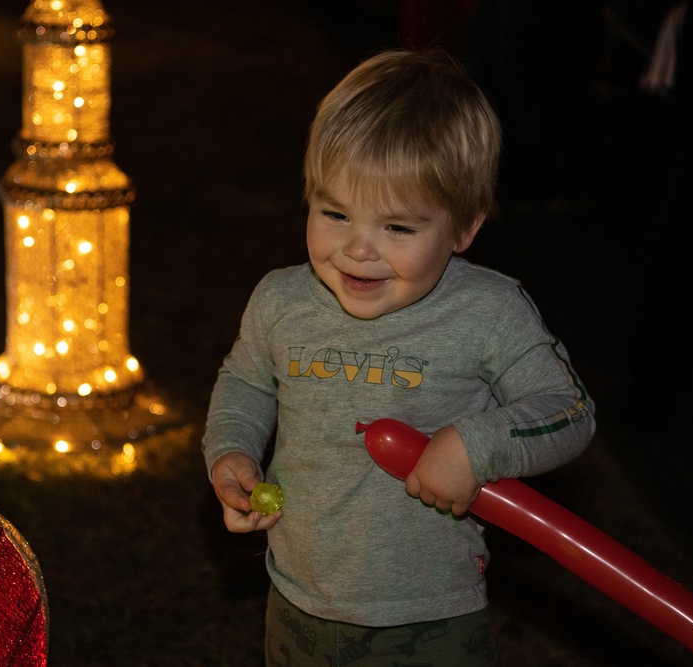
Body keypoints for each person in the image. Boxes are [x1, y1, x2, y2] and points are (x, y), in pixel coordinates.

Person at [202, 49, 596, 666]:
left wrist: (474, 444)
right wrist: (231, 451)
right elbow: (248, 381)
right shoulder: (281, 300)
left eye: (399, 229)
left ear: (464, 227)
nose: (359, 249)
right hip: (296, 601)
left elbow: (569, 411)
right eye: (334, 213)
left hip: (429, 621)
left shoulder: (489, 311)